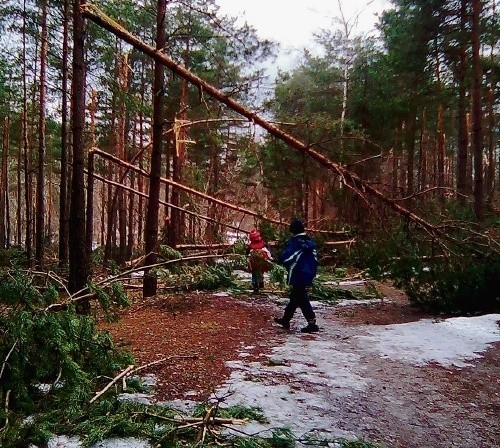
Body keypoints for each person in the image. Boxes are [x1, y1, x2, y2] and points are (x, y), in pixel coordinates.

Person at [274, 219, 319, 333]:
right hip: (308, 273)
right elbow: (315, 260)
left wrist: (279, 263)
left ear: (293, 230)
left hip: (298, 273)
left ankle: (312, 322)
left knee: (301, 298)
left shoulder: (296, 242)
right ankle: (286, 319)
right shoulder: (310, 241)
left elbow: (287, 257)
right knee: (295, 298)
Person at [246, 229, 272, 294]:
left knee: (254, 273)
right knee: (260, 272)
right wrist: (270, 258)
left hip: (253, 263)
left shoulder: (251, 245)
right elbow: (268, 252)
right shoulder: (263, 244)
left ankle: (255, 285)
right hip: (261, 262)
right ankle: (260, 283)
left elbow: (247, 253)